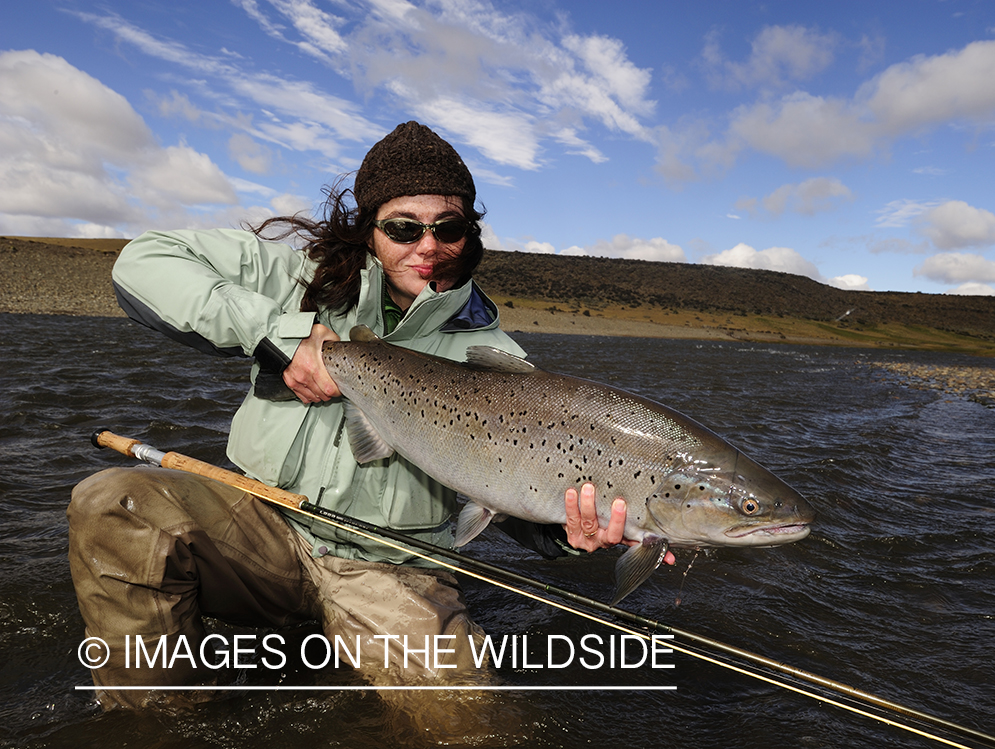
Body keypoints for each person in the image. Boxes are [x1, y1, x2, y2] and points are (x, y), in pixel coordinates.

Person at [68, 122, 664, 737]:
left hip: (395, 568)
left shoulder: (498, 361)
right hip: (264, 526)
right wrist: (277, 332)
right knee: (113, 503)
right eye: (404, 227)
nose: (427, 245)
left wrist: (575, 534)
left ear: (469, 235)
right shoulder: (300, 283)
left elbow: (518, 502)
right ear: (369, 229)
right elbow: (144, 262)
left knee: (470, 727)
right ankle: (167, 721)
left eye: (448, 227)